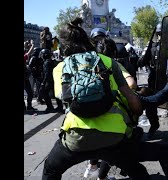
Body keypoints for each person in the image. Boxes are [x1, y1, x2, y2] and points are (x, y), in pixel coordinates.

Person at [42, 17, 149, 180]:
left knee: (51, 169)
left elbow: (63, 97)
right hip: (113, 136)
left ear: (64, 45)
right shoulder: (107, 61)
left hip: (77, 138)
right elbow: (131, 97)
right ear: (87, 39)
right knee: (137, 170)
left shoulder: (60, 68)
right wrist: (136, 116)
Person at [83, 27, 168, 180]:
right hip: (116, 142)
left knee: (113, 145)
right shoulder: (122, 89)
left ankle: (98, 173)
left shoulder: (86, 73)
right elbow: (153, 97)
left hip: (88, 138)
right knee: (154, 151)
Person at [138, 23, 168, 137]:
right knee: (151, 104)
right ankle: (154, 125)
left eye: (163, 34)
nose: (161, 36)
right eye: (160, 34)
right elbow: (141, 62)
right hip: (154, 80)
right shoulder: (152, 46)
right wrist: (143, 57)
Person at [24, 39, 37, 111]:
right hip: (25, 79)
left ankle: (27, 106)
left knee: (30, 93)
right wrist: (32, 45)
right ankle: (29, 106)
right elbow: (29, 53)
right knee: (30, 93)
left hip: (25, 78)